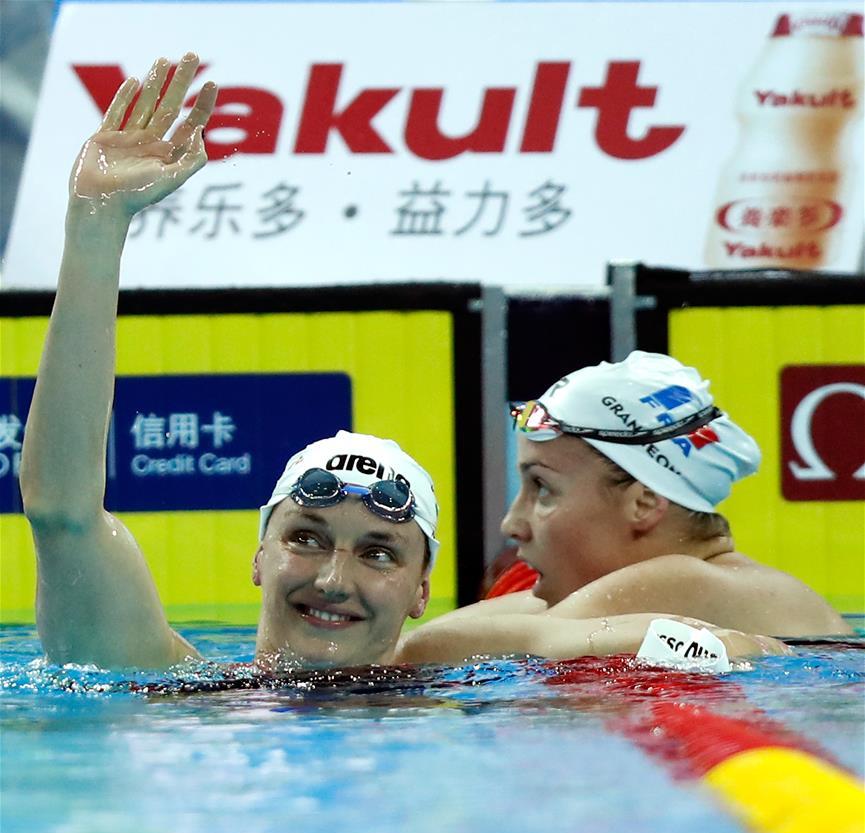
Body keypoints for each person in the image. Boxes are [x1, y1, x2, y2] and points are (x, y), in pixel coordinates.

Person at [20, 54, 787, 672]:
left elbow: (665, 640)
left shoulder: (454, 671)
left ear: (422, 590)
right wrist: (96, 225)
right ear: (259, 556)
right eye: (306, 537)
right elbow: (62, 513)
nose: (333, 580)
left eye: (377, 553)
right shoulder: (178, 689)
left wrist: (723, 648)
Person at [398, 353, 849, 663]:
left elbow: (419, 651)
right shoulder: (721, 583)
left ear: (644, 503)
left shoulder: (686, 581)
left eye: (543, 488)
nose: (512, 524)